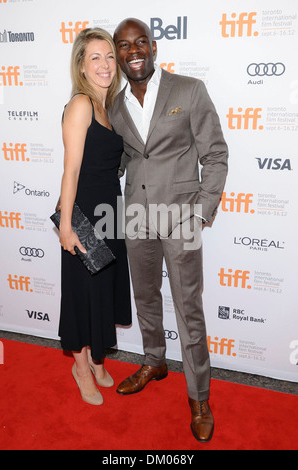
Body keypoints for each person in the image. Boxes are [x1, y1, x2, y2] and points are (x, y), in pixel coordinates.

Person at [110, 18, 228, 441]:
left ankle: (199, 396)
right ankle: (154, 361)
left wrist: (201, 213)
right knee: (145, 297)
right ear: (118, 54)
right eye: (124, 45)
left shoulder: (189, 89)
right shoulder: (114, 104)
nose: (133, 50)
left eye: (140, 42)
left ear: (154, 47)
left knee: (187, 307)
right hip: (137, 218)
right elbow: (124, 158)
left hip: (182, 217)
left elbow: (215, 153)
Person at [58, 28, 132, 406]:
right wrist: (67, 226)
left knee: (102, 289)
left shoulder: (110, 107)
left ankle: (98, 357)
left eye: (108, 56)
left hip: (110, 209)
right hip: (85, 211)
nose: (104, 64)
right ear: (82, 67)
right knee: (83, 293)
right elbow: (70, 171)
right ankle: (81, 367)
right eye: (95, 58)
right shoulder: (82, 104)